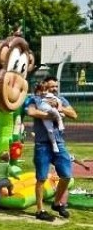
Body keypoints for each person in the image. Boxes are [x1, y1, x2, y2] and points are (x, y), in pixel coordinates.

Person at [26, 75, 77, 221]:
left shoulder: (60, 99)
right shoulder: (35, 99)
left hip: (59, 143)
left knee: (66, 176)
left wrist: (60, 108)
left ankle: (56, 203)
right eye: (50, 86)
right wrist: (51, 115)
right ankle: (40, 210)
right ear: (44, 87)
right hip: (42, 144)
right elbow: (31, 112)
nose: (54, 89)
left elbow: (73, 114)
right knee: (41, 178)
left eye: (55, 86)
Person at [33, 82, 64, 153]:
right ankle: (54, 144)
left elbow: (58, 101)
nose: (43, 92)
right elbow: (34, 107)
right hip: (44, 115)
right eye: (41, 90)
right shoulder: (35, 97)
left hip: (50, 110)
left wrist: (59, 106)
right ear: (38, 91)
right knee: (50, 130)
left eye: (45, 90)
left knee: (54, 110)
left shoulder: (50, 95)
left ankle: (59, 121)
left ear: (48, 90)